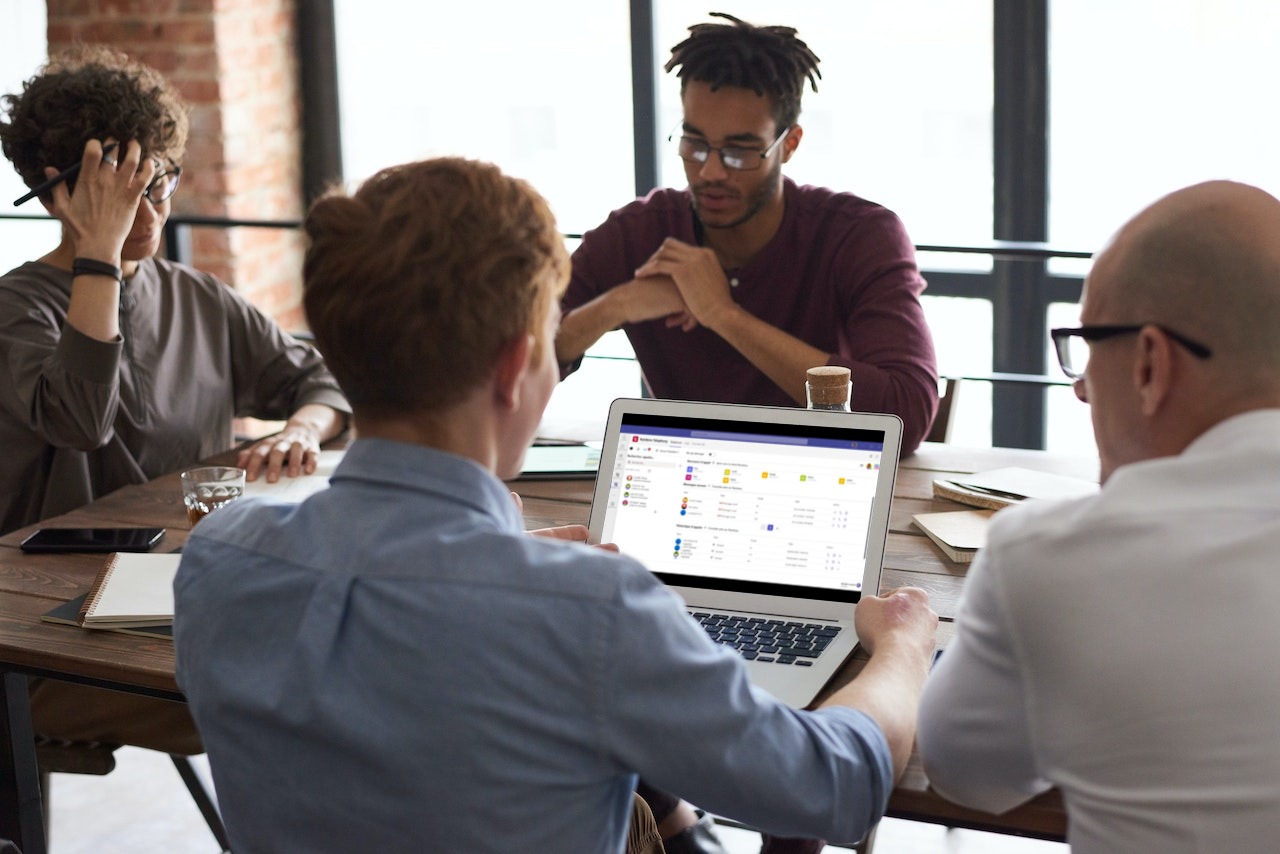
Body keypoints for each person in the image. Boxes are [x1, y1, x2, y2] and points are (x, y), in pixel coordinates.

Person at [173, 156, 939, 853]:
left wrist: (518, 560)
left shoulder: (219, 555)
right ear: (515, 368)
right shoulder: (592, 612)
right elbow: (833, 789)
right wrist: (902, 646)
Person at [0, 47, 349, 755]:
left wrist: (305, 431)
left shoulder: (195, 297)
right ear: (57, 191)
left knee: (340, 655)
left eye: (160, 182)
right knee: (292, 700)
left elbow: (321, 382)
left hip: (182, 597)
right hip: (53, 632)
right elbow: (79, 416)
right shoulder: (16, 311)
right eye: (126, 191)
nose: (153, 209)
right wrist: (100, 253)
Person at [916, 180, 1280, 851]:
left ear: (1149, 363)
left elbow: (962, 775)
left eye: (1087, 347)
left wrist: (908, 648)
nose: (1081, 388)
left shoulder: (1050, 557)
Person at [558, 12, 939, 455]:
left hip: (826, 480)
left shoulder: (858, 235)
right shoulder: (637, 234)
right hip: (684, 483)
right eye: (694, 144)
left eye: (740, 152)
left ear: (789, 144)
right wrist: (616, 305)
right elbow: (507, 364)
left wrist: (723, 314)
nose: (711, 171)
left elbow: (906, 415)